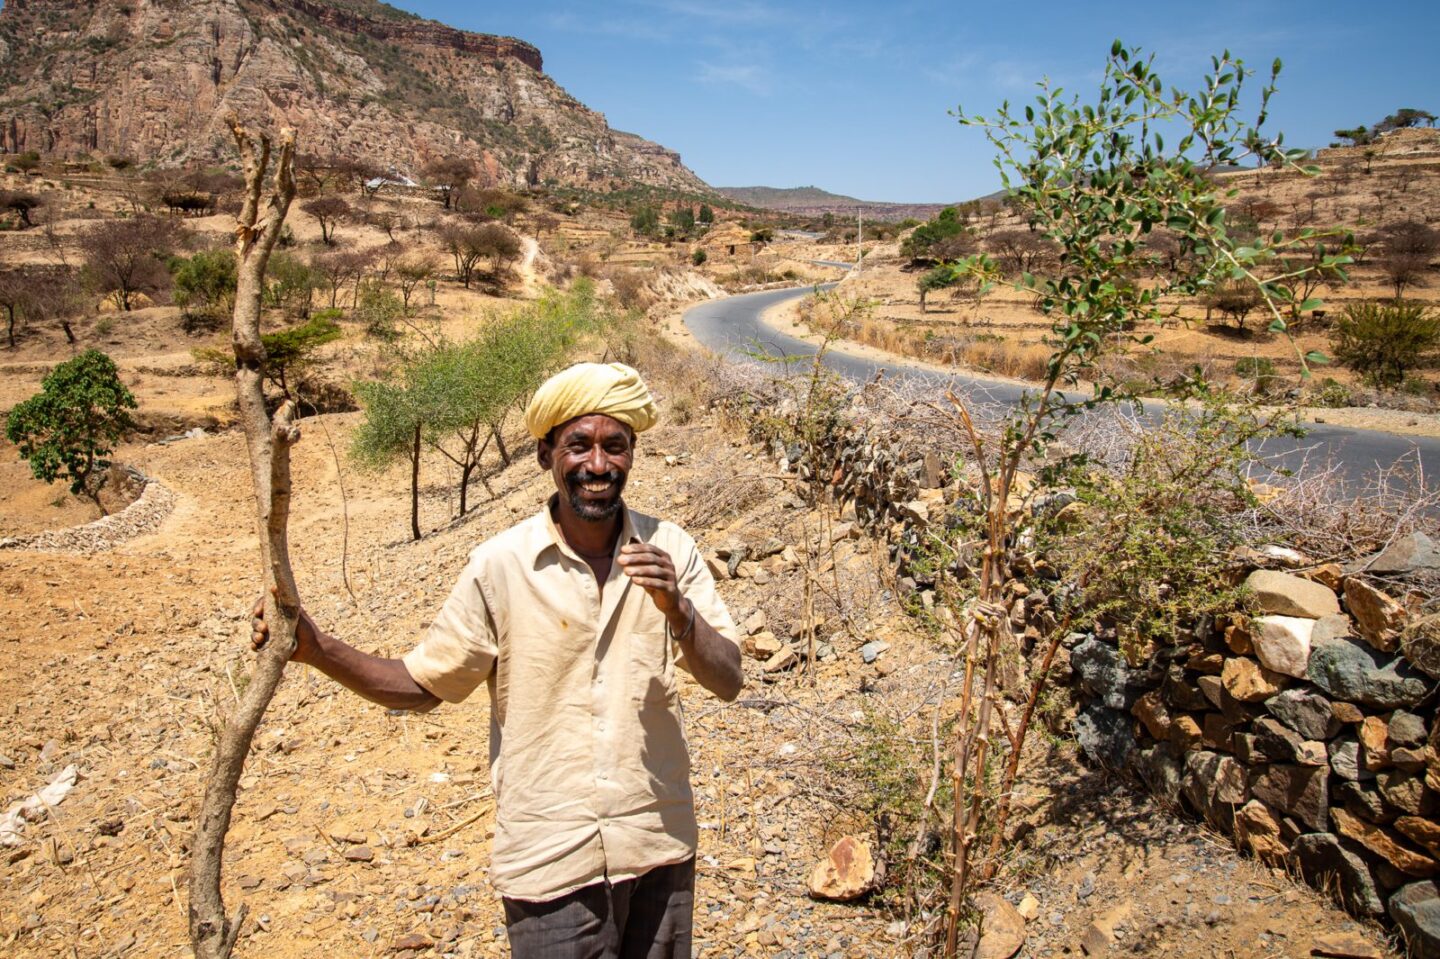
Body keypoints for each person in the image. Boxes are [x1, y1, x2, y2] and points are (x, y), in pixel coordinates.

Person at [252, 362, 743, 959]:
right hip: (550, 860)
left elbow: (728, 679)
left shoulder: (671, 550)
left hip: (658, 842)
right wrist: (316, 648)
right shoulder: (500, 566)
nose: (597, 465)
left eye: (614, 446)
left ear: (632, 455)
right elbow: (422, 684)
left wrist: (679, 610)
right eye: (578, 446)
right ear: (545, 455)